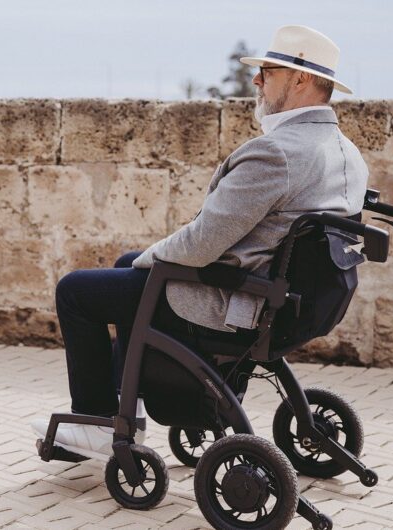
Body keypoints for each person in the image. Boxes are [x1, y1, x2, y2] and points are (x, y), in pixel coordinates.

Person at [31, 25, 369, 461]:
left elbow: (201, 244)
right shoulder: (347, 154)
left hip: (236, 303)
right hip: (290, 301)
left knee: (76, 291)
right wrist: (144, 262)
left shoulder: (278, 153)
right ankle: (123, 409)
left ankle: (96, 423)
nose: (257, 81)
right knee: (125, 263)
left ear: (300, 79)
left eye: (266, 71)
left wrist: (153, 258)